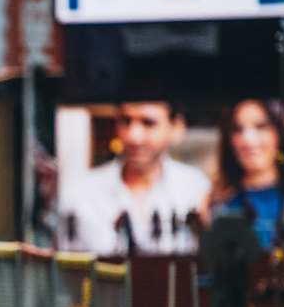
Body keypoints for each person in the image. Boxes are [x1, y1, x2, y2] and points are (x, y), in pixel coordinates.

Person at [205, 99, 284, 305]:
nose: (248, 139)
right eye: (237, 129)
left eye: (261, 126)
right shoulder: (215, 202)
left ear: (281, 132)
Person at [59, 101, 210, 256]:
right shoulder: (79, 193)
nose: (134, 136)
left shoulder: (196, 189)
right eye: (126, 121)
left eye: (148, 123)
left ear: (176, 127)